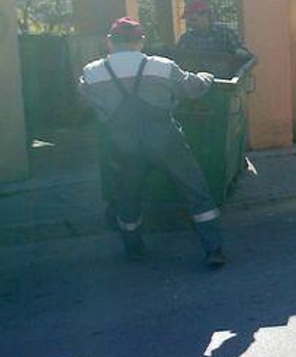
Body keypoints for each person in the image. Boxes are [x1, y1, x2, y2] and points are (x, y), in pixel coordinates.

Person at [78, 17, 226, 267]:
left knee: (128, 194)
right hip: (165, 141)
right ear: (141, 41)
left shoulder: (92, 72)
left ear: (110, 42)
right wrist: (206, 77)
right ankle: (213, 250)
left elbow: (87, 100)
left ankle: (134, 248)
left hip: (123, 143)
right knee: (194, 190)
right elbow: (192, 89)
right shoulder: (161, 66)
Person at [176, 0, 252, 58]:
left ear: (207, 15)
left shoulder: (225, 33)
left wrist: (241, 54)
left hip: (224, 77)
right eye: (188, 19)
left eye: (194, 19)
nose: (190, 23)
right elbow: (179, 58)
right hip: (197, 78)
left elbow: (241, 53)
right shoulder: (186, 39)